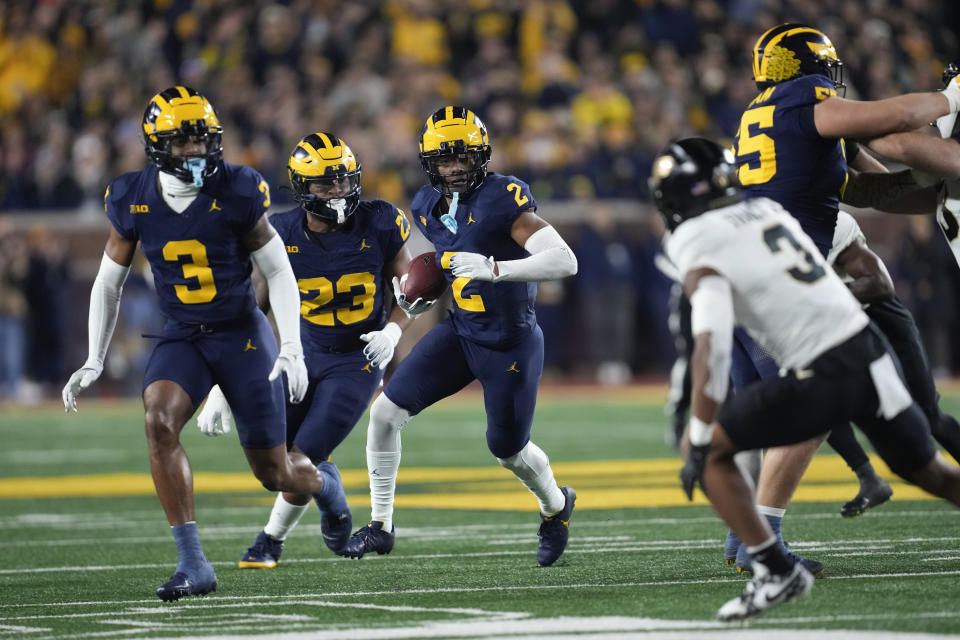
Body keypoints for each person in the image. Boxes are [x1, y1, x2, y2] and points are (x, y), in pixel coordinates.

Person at [652, 137, 960, 621]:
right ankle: (776, 556)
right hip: (868, 352)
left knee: (711, 452)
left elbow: (710, 342)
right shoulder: (765, 212)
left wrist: (695, 431)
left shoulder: (694, 236)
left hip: (824, 369)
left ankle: (776, 572)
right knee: (934, 474)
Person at [61, 87, 340, 601]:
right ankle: (193, 564)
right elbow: (108, 282)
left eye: (201, 140)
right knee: (157, 420)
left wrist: (292, 345)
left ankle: (325, 486)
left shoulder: (237, 188)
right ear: (156, 144)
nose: (194, 151)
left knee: (274, 472)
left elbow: (277, 269)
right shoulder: (132, 194)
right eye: (182, 142)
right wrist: (94, 357)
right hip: (182, 334)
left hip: (241, 333)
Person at [724, 23, 960, 574]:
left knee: (799, 402)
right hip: (779, 274)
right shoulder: (804, 99)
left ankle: (749, 540)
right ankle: (766, 544)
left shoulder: (765, 117)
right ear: (808, 67)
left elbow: (871, 191)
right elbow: (896, 119)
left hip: (755, 268)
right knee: (815, 401)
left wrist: (938, 195)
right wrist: (950, 97)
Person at [343, 106, 579, 566]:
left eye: (462, 158)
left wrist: (497, 268)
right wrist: (415, 299)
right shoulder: (425, 205)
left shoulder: (503, 199)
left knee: (508, 451)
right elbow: (446, 272)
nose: (453, 169)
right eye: (444, 160)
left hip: (510, 344)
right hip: (460, 332)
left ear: (481, 156)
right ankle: (380, 525)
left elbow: (565, 261)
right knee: (385, 413)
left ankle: (556, 505)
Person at [194, 132, 418, 568]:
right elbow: (248, 308)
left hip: (358, 359)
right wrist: (221, 385)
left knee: (300, 458)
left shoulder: (381, 221)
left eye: (343, 180)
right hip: (302, 354)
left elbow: (412, 292)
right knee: (274, 462)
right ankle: (331, 496)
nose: (338, 191)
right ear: (302, 187)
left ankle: (271, 539)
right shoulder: (282, 231)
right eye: (325, 184)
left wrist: (393, 332)